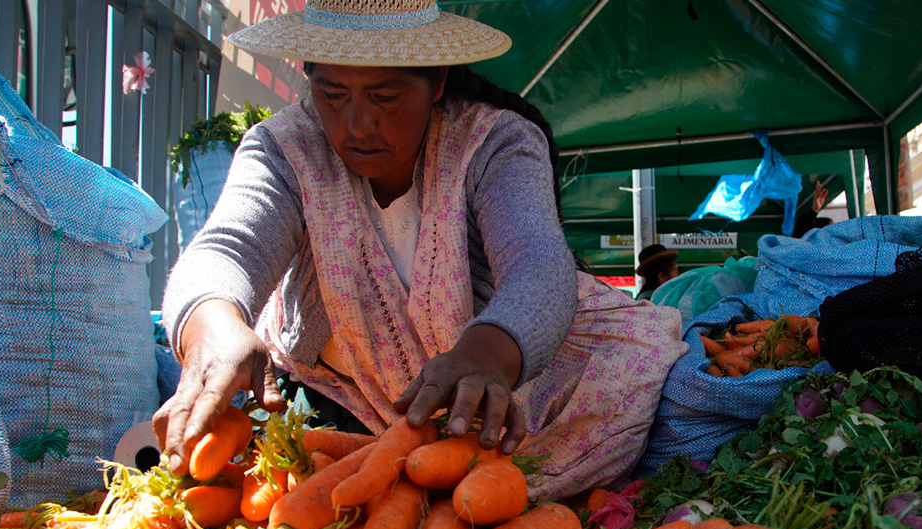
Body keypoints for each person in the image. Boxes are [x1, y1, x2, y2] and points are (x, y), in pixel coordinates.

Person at [153, 0, 687, 500]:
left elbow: (539, 264)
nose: (357, 125)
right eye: (333, 95)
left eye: (385, 97)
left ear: (437, 84)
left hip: (534, 388)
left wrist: (485, 357)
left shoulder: (494, 142)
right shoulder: (284, 150)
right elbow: (227, 249)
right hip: (364, 413)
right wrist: (213, 326)